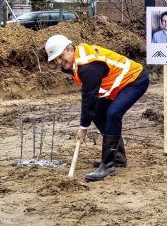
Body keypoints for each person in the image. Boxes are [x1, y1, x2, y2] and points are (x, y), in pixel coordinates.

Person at [45, 35, 149, 182]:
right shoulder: (77, 60)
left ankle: (108, 166)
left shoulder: (88, 66)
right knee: (98, 113)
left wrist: (83, 128)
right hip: (118, 84)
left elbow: (89, 98)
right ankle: (118, 156)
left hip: (135, 80)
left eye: (61, 56)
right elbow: (91, 101)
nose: (59, 62)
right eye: (55, 60)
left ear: (70, 49)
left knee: (113, 114)